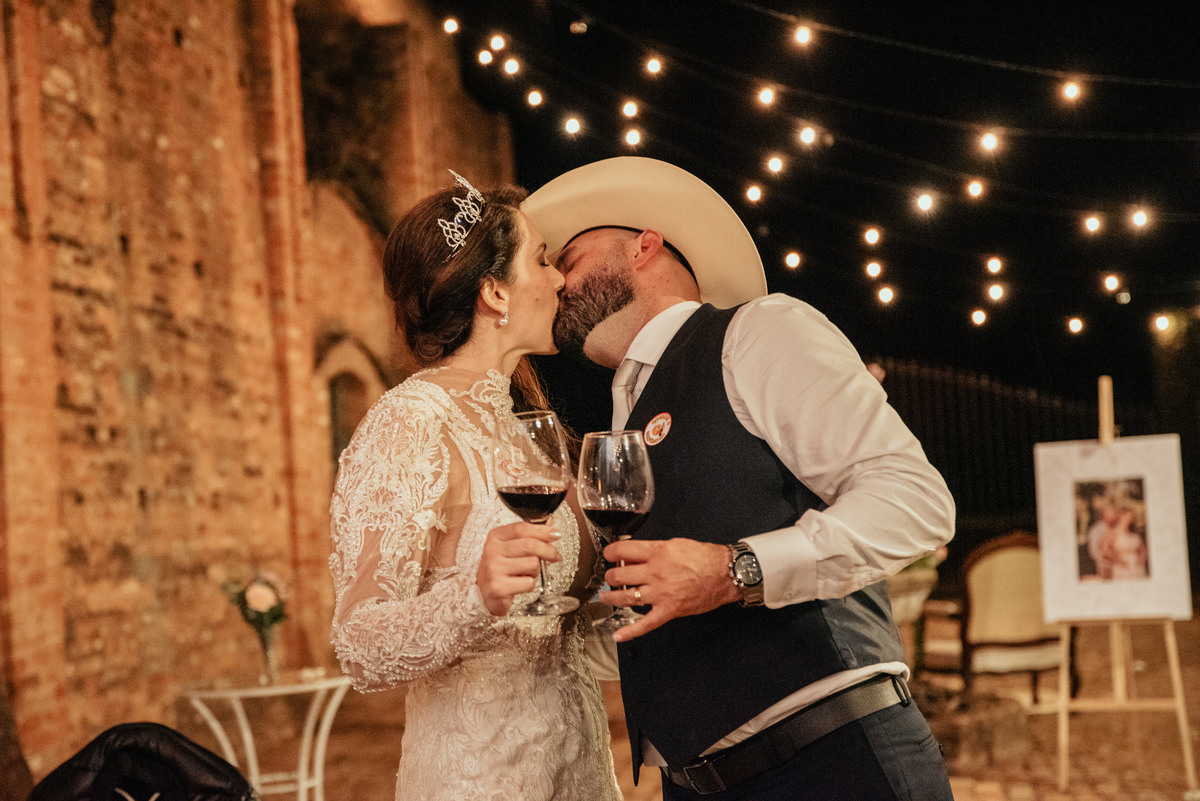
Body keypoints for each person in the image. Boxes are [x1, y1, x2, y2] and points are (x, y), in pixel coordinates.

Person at [523, 156, 957, 801]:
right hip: (694, 784)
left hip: (831, 761)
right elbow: (653, 622)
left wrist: (735, 570)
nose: (557, 282)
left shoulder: (757, 331)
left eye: (571, 259)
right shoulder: (622, 414)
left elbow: (916, 501)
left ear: (645, 246)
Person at [328, 172, 621, 801]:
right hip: (478, 779)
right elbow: (359, 644)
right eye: (541, 260)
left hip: (581, 772)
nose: (560, 279)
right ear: (493, 292)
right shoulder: (408, 423)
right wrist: (474, 597)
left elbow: (561, 628)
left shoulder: (529, 427)